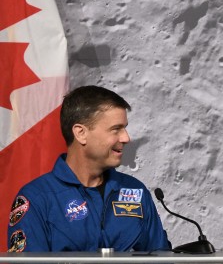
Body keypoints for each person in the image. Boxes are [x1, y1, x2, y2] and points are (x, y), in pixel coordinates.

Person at [6, 85, 171, 253]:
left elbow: (161, 256)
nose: (126, 137)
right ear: (81, 133)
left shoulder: (135, 190)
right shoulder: (37, 198)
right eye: (116, 129)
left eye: (125, 128)